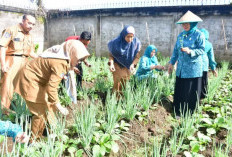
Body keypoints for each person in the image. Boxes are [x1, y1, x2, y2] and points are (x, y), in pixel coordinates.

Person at [13, 40, 90, 140]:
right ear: (72, 53)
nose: (78, 62)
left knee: (50, 106)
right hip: (30, 79)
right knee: (40, 112)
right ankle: (34, 141)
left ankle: (52, 130)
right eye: (78, 59)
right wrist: (59, 105)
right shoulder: (60, 63)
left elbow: (51, 66)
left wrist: (70, 68)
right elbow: (51, 88)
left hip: (36, 78)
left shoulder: (61, 52)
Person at [168, 11, 205, 117]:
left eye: (187, 24)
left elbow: (202, 49)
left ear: (193, 23)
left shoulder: (199, 35)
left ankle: (189, 112)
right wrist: (171, 63)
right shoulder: (181, 36)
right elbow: (175, 50)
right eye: (183, 24)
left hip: (193, 68)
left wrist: (190, 51)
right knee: (180, 90)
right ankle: (178, 111)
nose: (184, 26)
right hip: (181, 68)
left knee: (190, 91)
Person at [0, 14, 38, 111]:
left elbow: (31, 52)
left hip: (24, 62)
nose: (31, 26)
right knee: (7, 88)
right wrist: (3, 65)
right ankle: (3, 114)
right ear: (23, 20)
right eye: (29, 23)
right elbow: (3, 47)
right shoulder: (11, 30)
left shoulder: (30, 36)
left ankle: (19, 113)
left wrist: (43, 58)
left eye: (33, 24)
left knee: (22, 89)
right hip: (12, 61)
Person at [108, 26, 141, 94]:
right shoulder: (116, 43)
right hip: (117, 66)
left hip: (128, 66)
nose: (130, 39)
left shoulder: (136, 43)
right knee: (117, 83)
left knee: (124, 83)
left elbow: (137, 57)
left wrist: (133, 64)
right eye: (128, 36)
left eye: (132, 37)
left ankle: (122, 99)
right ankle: (114, 100)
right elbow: (111, 55)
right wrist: (111, 64)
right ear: (123, 35)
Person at [200, 28, 217, 99]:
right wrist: (213, 69)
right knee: (204, 82)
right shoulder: (209, 44)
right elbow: (211, 58)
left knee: (195, 82)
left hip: (194, 66)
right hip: (204, 66)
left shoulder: (195, 42)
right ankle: (203, 97)